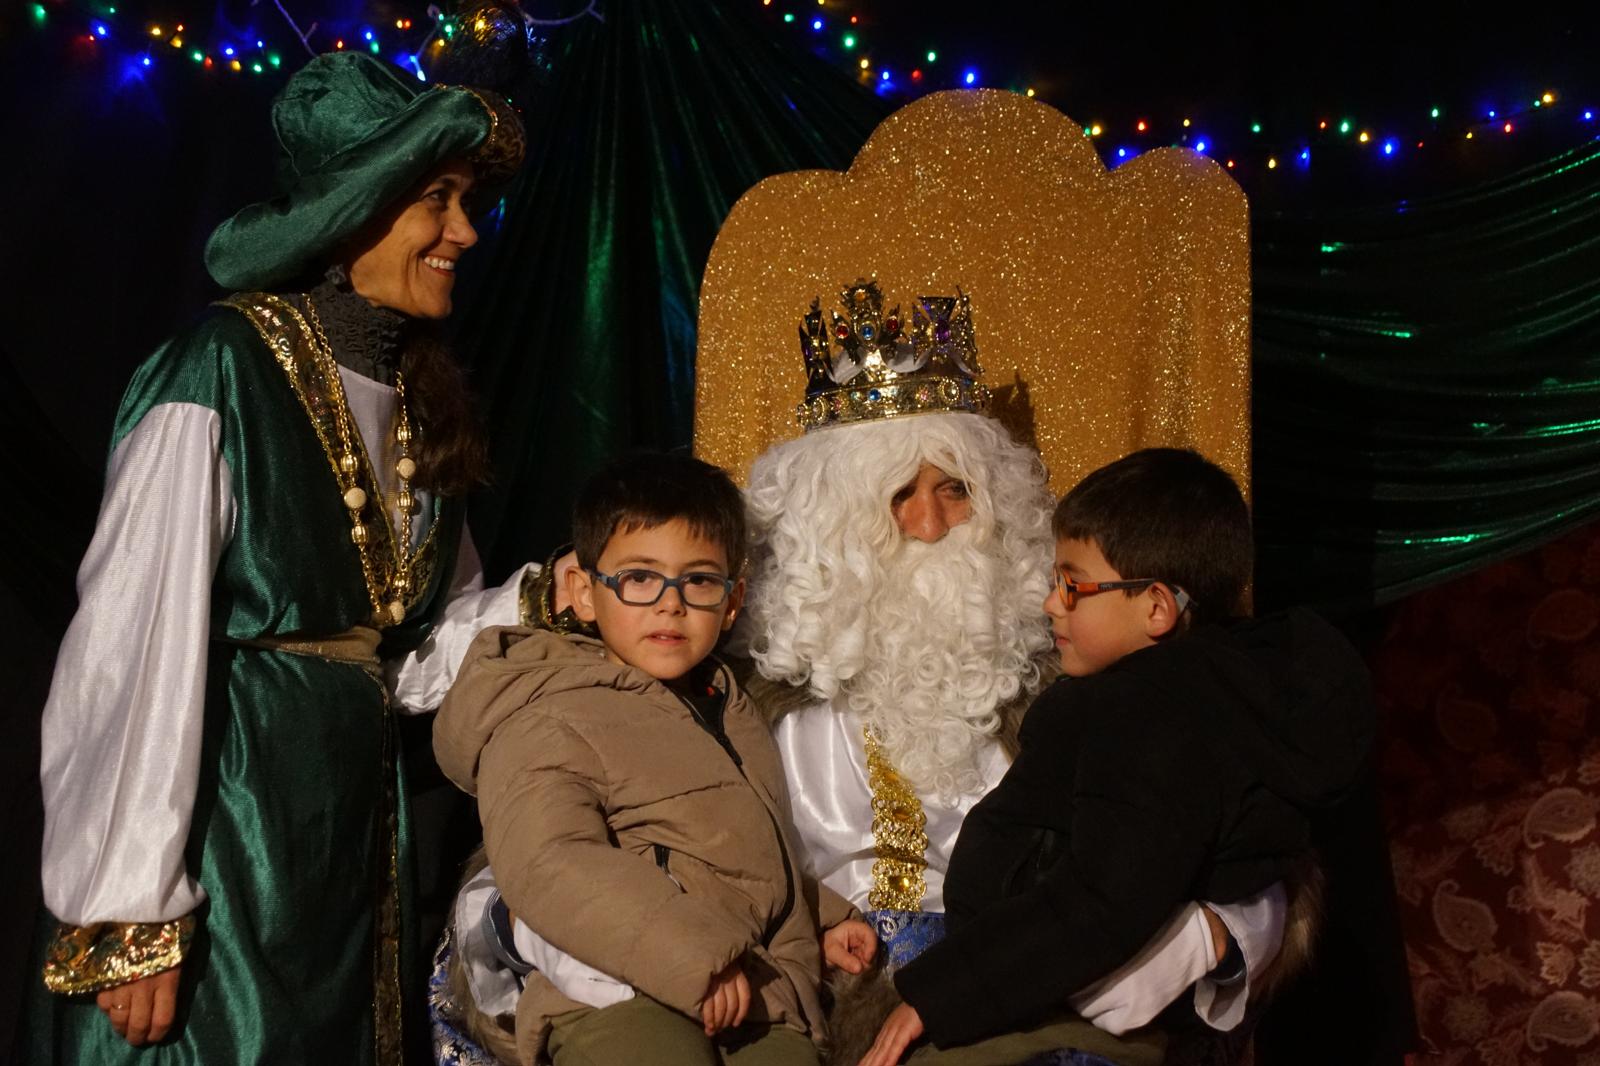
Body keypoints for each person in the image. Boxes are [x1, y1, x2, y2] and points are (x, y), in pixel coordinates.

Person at [26, 53, 530, 1065]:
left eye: (467, 202)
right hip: (230, 825)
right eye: (439, 199)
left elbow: (423, 648)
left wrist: (555, 595)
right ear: (355, 211)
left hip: (343, 840)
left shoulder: (416, 398)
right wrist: (132, 906)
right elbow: (132, 646)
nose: (465, 233)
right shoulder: (219, 372)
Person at [739, 285, 1291, 1065]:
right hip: (821, 984)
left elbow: (1234, 828)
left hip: (1031, 975)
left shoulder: (1078, 674)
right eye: (899, 498)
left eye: (955, 490)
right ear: (830, 530)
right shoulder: (750, 701)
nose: (932, 528)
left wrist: (1216, 933)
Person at [857, 448, 1376, 1065]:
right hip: (1034, 975)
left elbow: (1101, 901)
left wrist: (937, 997)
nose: (1053, 603)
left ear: (1156, 608)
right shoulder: (1179, 691)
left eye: (1073, 585)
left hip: (1062, 996)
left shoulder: (1152, 712)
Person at [432, 453, 835, 1066]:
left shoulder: (731, 707)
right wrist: (695, 958)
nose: (670, 604)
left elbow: (741, 845)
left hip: (760, 989)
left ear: (732, 602)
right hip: (619, 993)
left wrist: (827, 914)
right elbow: (550, 862)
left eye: (699, 580)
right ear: (582, 593)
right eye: (640, 578)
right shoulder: (548, 712)